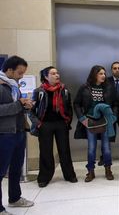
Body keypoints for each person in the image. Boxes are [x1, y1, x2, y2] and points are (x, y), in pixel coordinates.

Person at [29, 67, 77, 188]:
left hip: (61, 123)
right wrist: (38, 124)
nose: (57, 75)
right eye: (53, 73)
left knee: (64, 150)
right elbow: (31, 111)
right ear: (46, 76)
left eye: (57, 73)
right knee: (46, 151)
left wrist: (67, 120)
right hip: (45, 124)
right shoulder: (39, 91)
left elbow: (69, 107)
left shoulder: (64, 90)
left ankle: (69, 175)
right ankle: (44, 177)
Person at [0, 56, 35, 214]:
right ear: (9, 70)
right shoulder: (1, 86)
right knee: (1, 171)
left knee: (16, 169)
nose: (22, 76)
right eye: (20, 73)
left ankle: (14, 198)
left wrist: (26, 106)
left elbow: (17, 107)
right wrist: (18, 104)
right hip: (4, 134)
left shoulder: (13, 86)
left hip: (19, 132)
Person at [73, 65, 115, 182]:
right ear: (94, 74)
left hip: (105, 122)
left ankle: (108, 169)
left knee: (106, 148)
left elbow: (115, 104)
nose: (103, 76)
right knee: (91, 148)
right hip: (90, 122)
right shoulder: (85, 87)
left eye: (104, 74)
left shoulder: (108, 87)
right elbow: (76, 103)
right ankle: (90, 171)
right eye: (101, 73)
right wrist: (82, 118)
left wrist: (113, 117)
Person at [98, 61, 119, 166]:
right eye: (114, 68)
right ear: (111, 70)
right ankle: (104, 157)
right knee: (107, 136)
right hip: (110, 113)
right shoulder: (106, 81)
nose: (117, 70)